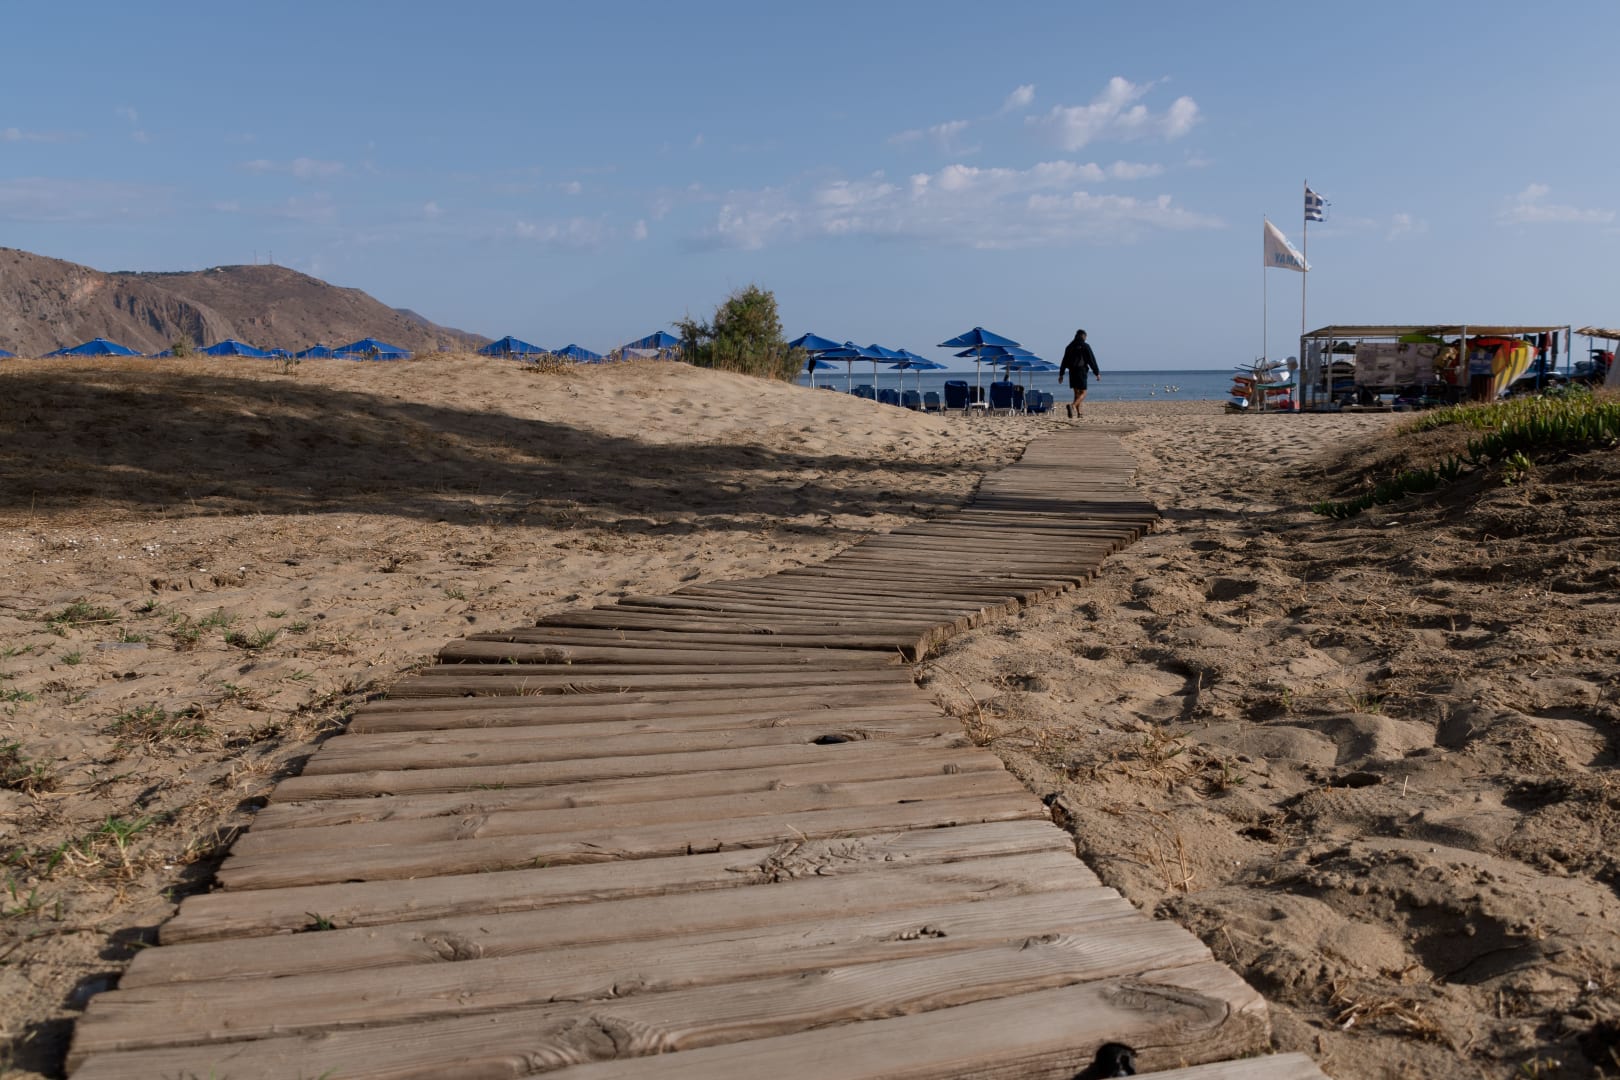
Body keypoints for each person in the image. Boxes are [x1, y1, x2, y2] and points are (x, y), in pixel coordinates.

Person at [1058, 328, 1100, 417]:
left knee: (1076, 393)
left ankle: (1079, 413)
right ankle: (1072, 406)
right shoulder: (1085, 346)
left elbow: (1064, 361)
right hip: (1081, 371)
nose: (1085, 338)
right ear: (1083, 336)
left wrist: (1061, 374)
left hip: (1072, 372)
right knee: (1083, 393)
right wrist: (1097, 373)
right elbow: (1091, 360)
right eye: (1085, 337)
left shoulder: (1069, 347)